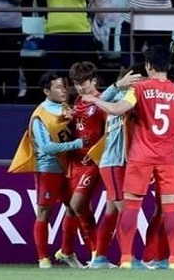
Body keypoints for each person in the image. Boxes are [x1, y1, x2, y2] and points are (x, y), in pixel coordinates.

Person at [82, 44, 174, 269]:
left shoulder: (141, 88)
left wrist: (95, 100)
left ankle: (126, 258)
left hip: (140, 157)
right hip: (169, 158)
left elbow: (117, 110)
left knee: (132, 206)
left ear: (148, 65)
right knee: (171, 207)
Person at [8, 71, 85, 269]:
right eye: (58, 87)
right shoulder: (39, 116)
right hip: (48, 168)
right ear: (46, 91)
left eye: (64, 86)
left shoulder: (67, 108)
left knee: (73, 207)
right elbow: (47, 147)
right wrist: (76, 144)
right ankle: (43, 258)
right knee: (44, 211)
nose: (64, 90)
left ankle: (67, 252)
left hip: (69, 167)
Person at [87, 65, 144, 269]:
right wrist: (117, 85)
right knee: (125, 211)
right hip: (113, 164)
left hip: (115, 163)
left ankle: (100, 257)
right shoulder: (121, 99)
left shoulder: (122, 98)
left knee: (111, 212)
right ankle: (128, 257)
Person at [56, 62, 108, 268]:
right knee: (71, 207)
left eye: (84, 83)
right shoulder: (77, 101)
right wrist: (67, 119)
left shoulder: (103, 101)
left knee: (78, 204)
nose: (80, 87)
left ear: (94, 81)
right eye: (76, 84)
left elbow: (109, 132)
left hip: (93, 161)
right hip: (75, 161)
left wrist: (97, 152)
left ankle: (97, 254)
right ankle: (67, 251)